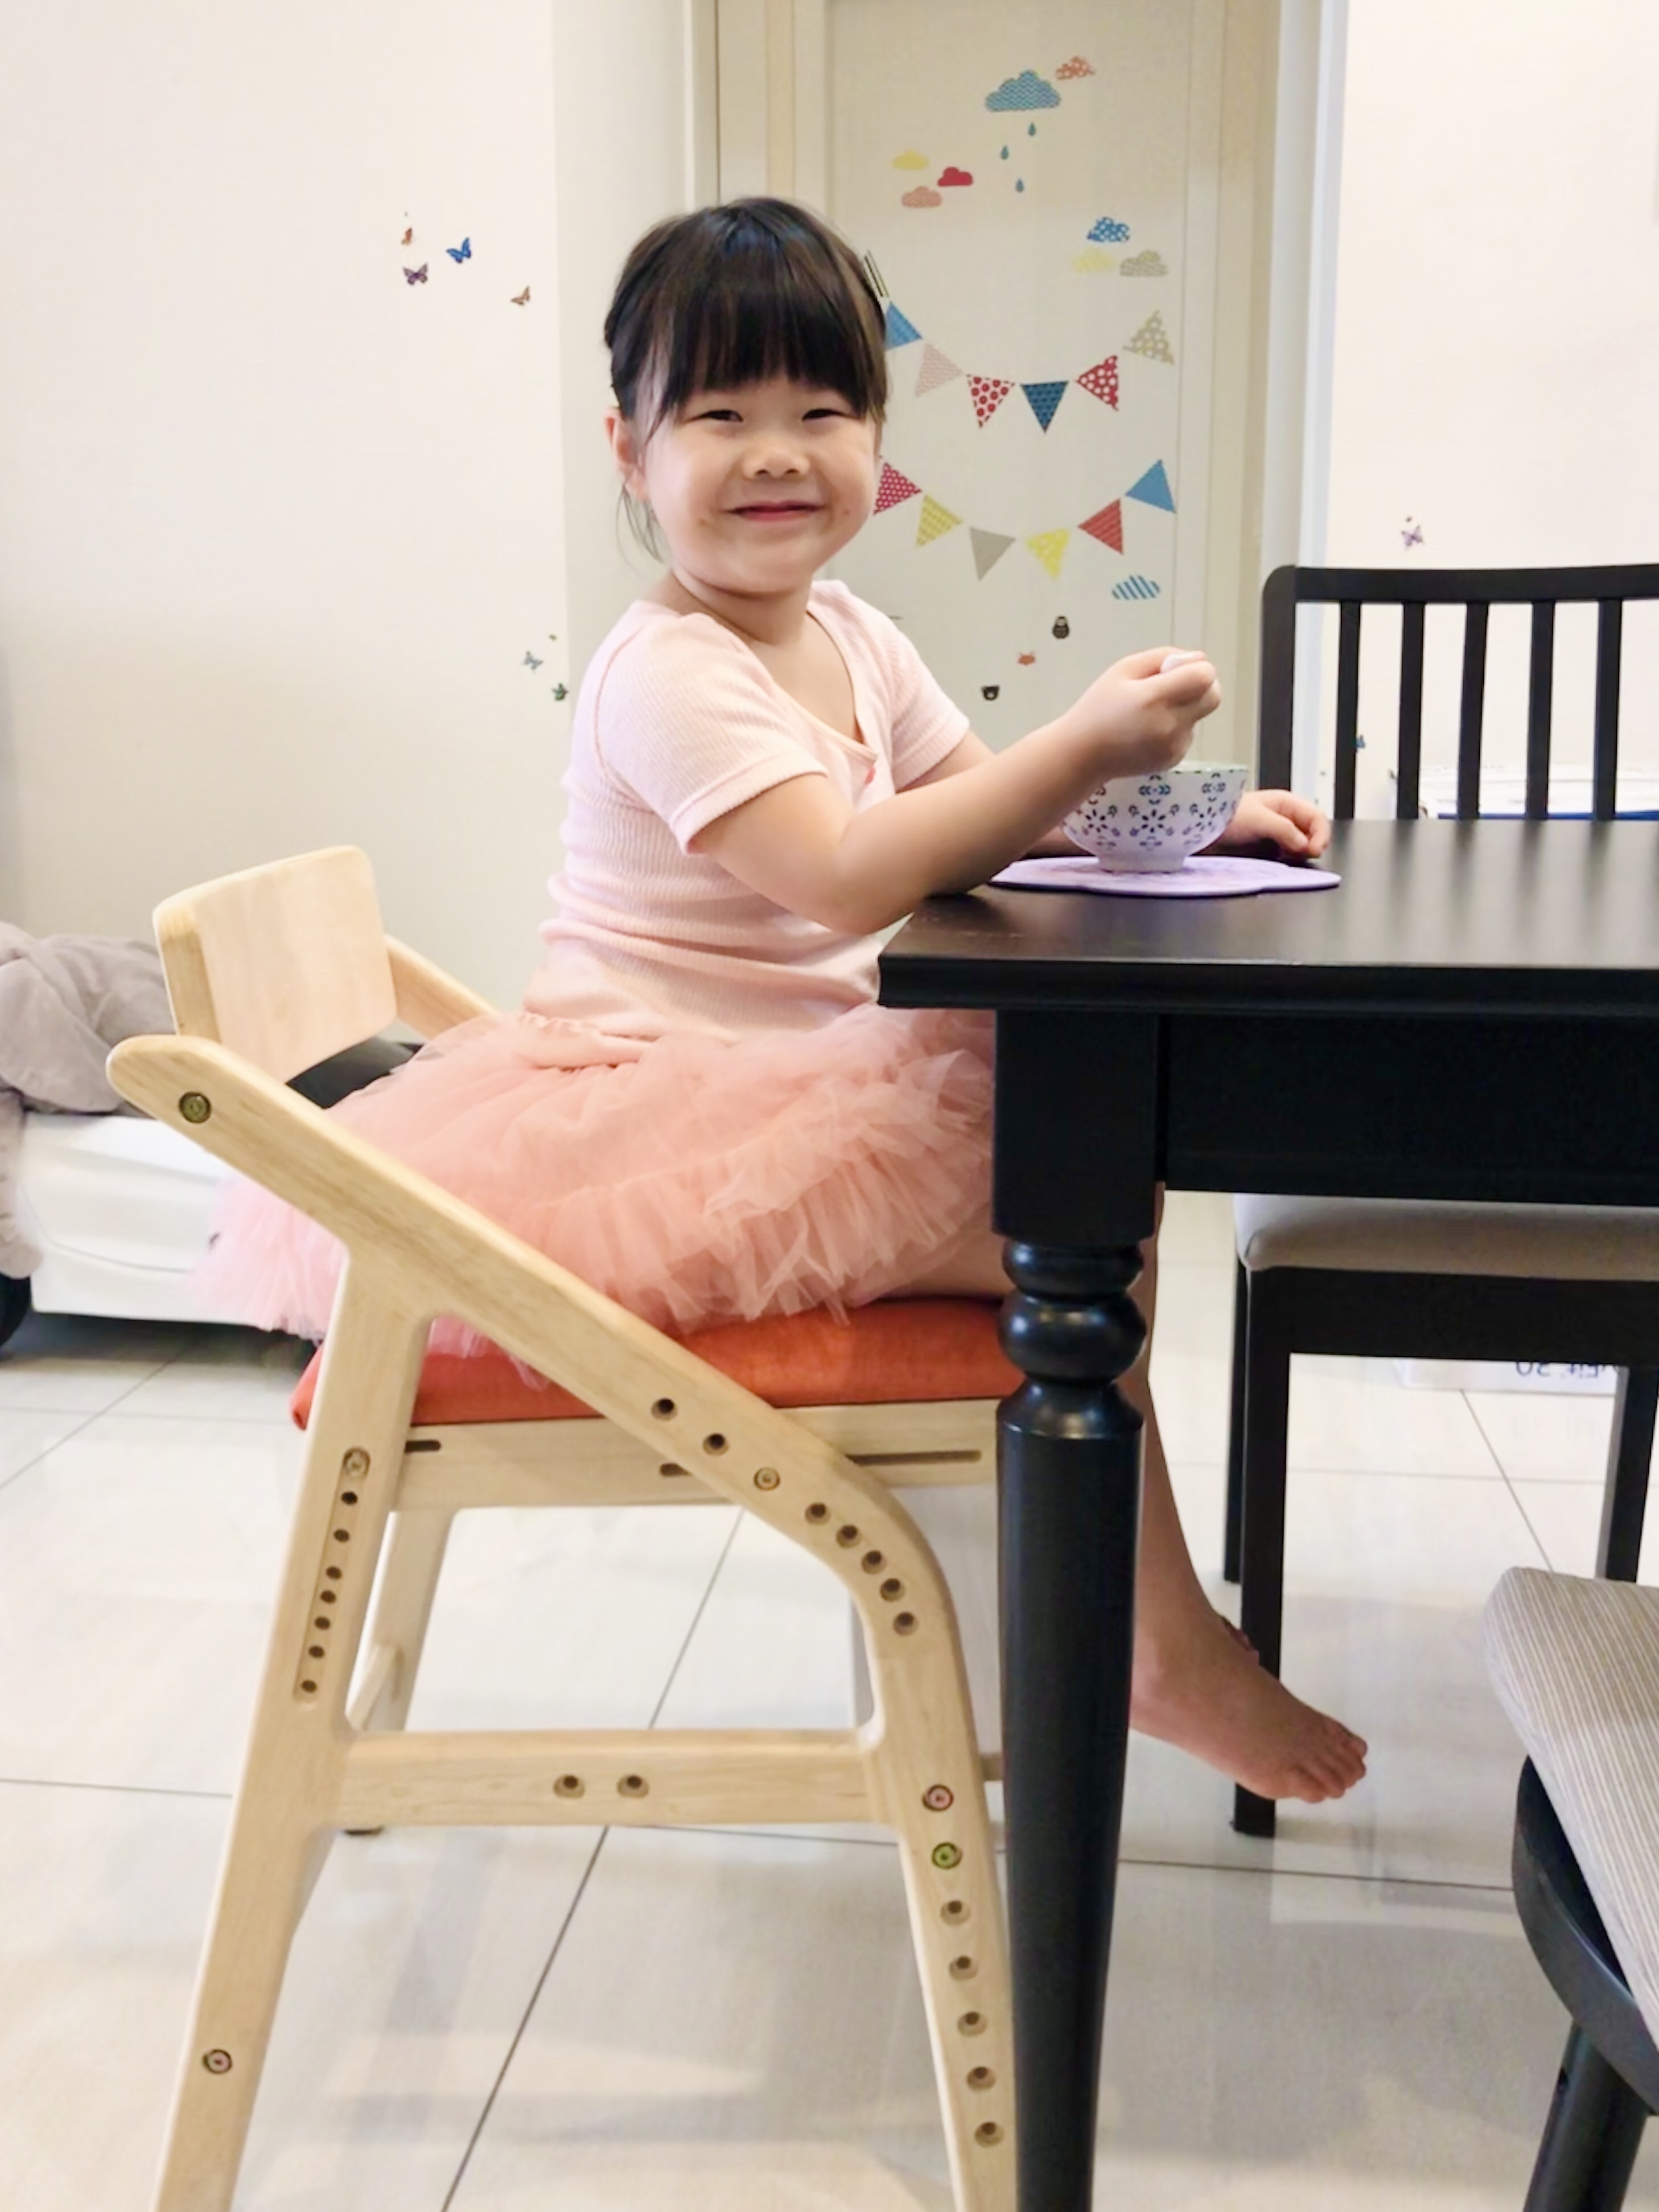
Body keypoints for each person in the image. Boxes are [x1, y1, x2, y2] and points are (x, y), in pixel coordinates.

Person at [205, 196, 1365, 1809]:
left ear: (879, 441)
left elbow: (979, 807)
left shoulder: (851, 632)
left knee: (1086, 1173)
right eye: (720, 414)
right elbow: (843, 877)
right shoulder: (669, 668)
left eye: (821, 410)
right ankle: (1138, 1638)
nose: (777, 453)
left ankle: (1084, 1610)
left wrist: (1169, 819)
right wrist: (1083, 742)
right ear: (630, 451)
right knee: (1078, 1201)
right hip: (645, 1119)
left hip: (779, 1082)